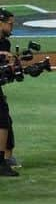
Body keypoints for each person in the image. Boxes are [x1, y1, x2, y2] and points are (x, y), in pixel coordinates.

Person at [0, 9, 18, 177]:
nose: (12, 26)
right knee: (2, 119)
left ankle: (6, 158)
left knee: (5, 120)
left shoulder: (5, 43)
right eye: (9, 23)